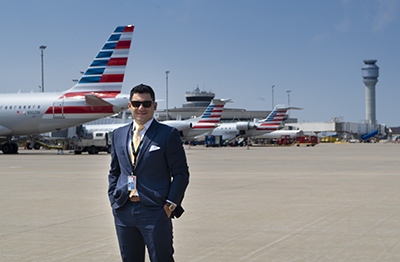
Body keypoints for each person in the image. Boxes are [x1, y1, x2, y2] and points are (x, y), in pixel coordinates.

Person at [108, 84, 190, 262]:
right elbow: (114, 171)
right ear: (129, 106)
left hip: (155, 211)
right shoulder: (118, 134)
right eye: (136, 104)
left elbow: (181, 173)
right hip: (124, 209)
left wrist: (169, 206)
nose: (141, 108)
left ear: (154, 106)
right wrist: (113, 200)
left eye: (146, 103)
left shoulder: (168, 134)